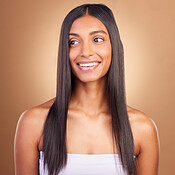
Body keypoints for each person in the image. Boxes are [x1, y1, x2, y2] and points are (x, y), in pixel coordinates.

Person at [14, 4, 159, 175]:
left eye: (97, 39)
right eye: (73, 42)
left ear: (114, 47)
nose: (86, 52)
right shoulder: (33, 123)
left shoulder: (142, 128)